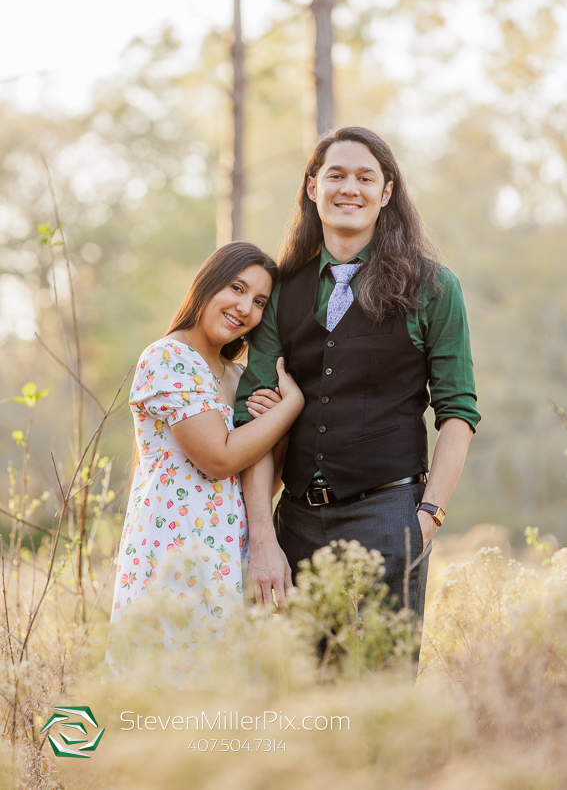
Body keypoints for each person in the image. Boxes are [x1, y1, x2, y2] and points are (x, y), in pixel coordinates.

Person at [234, 126, 480, 621]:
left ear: (386, 193)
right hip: (295, 524)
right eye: (336, 175)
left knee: (382, 689)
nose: (350, 188)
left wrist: (427, 518)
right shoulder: (281, 289)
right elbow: (252, 421)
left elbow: (457, 411)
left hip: (390, 515)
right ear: (312, 187)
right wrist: (262, 537)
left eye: (366, 178)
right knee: (298, 689)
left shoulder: (433, 287)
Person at [105, 242, 303, 678]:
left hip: (229, 558)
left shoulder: (237, 376)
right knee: (164, 691)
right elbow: (219, 459)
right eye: (236, 288)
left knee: (221, 704)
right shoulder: (169, 358)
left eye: (259, 302)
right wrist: (292, 406)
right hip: (174, 555)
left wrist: (277, 430)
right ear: (208, 283)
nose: (244, 308)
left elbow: (253, 483)